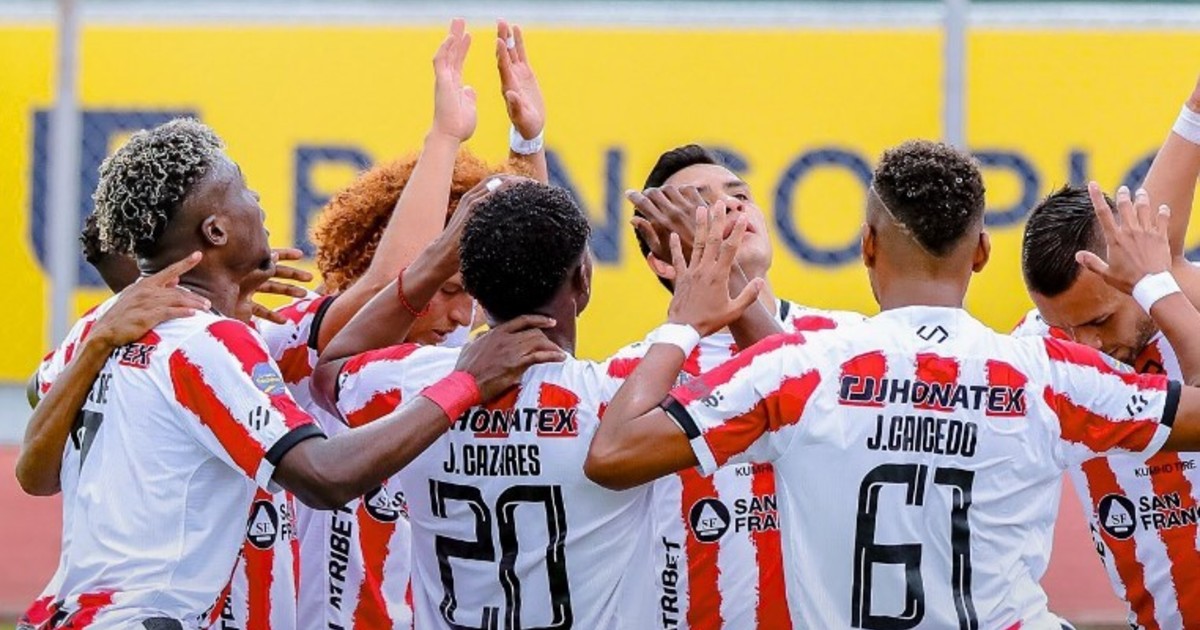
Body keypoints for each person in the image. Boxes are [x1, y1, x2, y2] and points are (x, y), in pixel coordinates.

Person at [584, 139, 1200, 628]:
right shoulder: (1043, 371)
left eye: (737, 195)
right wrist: (1158, 281)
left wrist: (692, 310)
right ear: (982, 253)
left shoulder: (806, 368)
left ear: (866, 246)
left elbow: (613, 454)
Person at [34, 116, 561, 629]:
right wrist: (466, 382)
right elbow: (323, 476)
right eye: (243, 190)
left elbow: (37, 464)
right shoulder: (208, 342)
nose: (257, 202)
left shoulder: (106, 326)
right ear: (215, 230)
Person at [311, 178, 758, 629]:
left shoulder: (416, 384)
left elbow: (331, 369)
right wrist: (715, 271)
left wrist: (439, 256)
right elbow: (778, 372)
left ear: (476, 290)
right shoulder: (626, 391)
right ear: (583, 280)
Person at [628, 144, 864, 628]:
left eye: (740, 195)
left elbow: (815, 415)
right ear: (663, 260)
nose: (732, 205)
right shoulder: (636, 376)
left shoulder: (853, 341)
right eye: (700, 205)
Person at [1016, 78, 1200, 629]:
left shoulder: (1182, 295)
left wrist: (1158, 284)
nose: (1087, 347)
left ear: (1133, 277)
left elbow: (1165, 253)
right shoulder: (1039, 353)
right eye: (1065, 328)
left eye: (1099, 321)